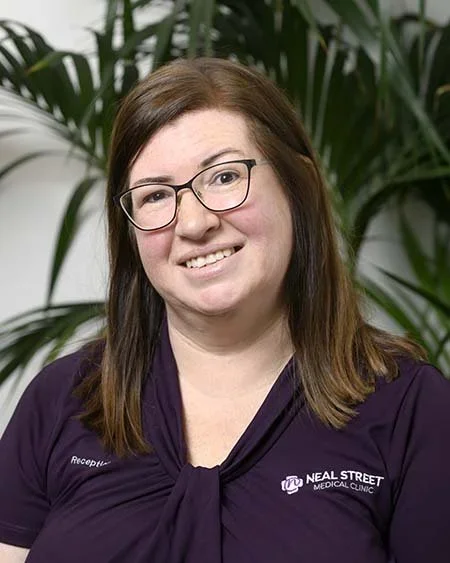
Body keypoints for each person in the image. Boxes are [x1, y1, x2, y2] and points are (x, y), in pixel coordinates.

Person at [0, 57, 449, 563]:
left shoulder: (411, 407)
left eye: (224, 177)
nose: (193, 223)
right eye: (154, 196)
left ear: (297, 186)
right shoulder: (63, 400)